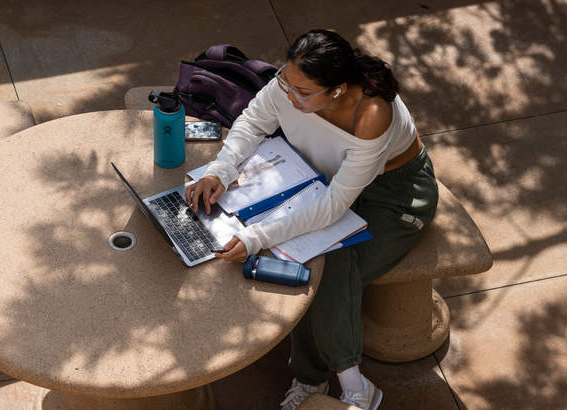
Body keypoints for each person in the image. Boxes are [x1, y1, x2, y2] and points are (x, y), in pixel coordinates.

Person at [185, 29, 438, 410]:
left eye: (302, 92)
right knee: (317, 261)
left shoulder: (372, 114)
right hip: (320, 176)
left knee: (330, 264)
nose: (288, 94)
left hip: (393, 195)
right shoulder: (291, 85)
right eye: (286, 81)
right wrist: (219, 170)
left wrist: (257, 238)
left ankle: (324, 379)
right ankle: (336, 379)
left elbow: (335, 205)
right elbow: (253, 121)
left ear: (336, 90)